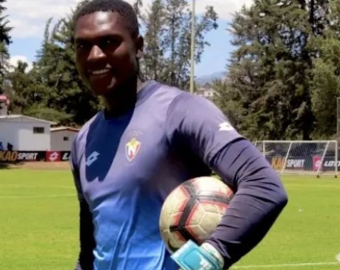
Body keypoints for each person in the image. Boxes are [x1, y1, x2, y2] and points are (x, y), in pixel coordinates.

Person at [69, 0, 288, 270]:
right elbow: (90, 251)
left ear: (138, 46)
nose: (95, 56)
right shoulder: (84, 139)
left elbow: (263, 185)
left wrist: (209, 257)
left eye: (109, 42)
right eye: (82, 45)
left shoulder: (180, 111)